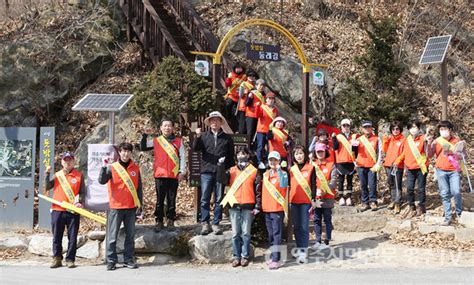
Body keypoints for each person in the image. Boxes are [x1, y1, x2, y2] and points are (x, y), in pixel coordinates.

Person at [99, 142, 143, 271]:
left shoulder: (135, 168)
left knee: (130, 236)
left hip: (131, 207)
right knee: (113, 236)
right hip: (116, 207)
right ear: (120, 152)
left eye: (128, 151)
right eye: (123, 151)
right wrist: (103, 168)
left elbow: (139, 188)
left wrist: (140, 205)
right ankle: (111, 260)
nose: (126, 153)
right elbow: (101, 181)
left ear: (131, 153)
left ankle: (128, 259)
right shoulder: (112, 167)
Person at [192, 111, 235, 235]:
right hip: (206, 171)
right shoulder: (204, 136)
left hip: (221, 172)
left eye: (217, 120)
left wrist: (229, 170)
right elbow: (196, 148)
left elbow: (231, 156)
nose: (214, 122)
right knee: (205, 198)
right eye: (212, 120)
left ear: (221, 122)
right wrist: (198, 137)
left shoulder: (227, 138)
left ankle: (216, 223)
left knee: (219, 198)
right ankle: (205, 222)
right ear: (209, 123)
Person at [139, 118, 186, 231]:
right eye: (165, 126)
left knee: (172, 199)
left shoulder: (178, 141)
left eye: (169, 126)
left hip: (173, 175)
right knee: (160, 199)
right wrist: (145, 135)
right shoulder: (156, 141)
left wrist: (182, 172)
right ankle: (159, 220)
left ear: (173, 128)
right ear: (161, 128)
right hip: (160, 175)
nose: (167, 128)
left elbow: (182, 157)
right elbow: (143, 147)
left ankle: (170, 220)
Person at [221, 147, 261, 267]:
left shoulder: (254, 171)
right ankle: (236, 257)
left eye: (243, 154)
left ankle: (245, 256)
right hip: (234, 204)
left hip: (248, 204)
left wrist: (258, 205)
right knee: (235, 233)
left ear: (248, 155)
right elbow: (222, 180)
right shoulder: (232, 170)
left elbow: (258, 190)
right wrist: (220, 166)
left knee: (246, 233)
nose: (241, 156)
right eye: (238, 154)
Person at [44, 152, 85, 269]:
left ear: (74, 161)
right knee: (57, 236)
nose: (68, 162)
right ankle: (56, 258)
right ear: (62, 162)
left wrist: (79, 202)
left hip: (73, 211)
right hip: (57, 210)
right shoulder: (57, 175)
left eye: (70, 160)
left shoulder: (79, 175)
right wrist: (47, 174)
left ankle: (70, 259)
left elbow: (82, 192)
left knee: (72, 237)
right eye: (65, 160)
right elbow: (47, 187)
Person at [428, 120, 465, 226]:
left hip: (454, 170)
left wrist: (456, 153)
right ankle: (448, 217)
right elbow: (430, 155)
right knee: (444, 194)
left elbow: (463, 155)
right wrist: (430, 144)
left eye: (445, 129)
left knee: (456, 192)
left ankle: (459, 213)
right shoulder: (437, 141)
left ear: (450, 130)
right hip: (441, 170)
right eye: (441, 129)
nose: (443, 131)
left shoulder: (457, 141)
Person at [288, 145, 315, 263]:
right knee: (297, 227)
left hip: (305, 202)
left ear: (305, 154)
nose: (299, 156)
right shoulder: (291, 170)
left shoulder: (311, 168)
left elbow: (314, 185)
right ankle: (299, 248)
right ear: (294, 156)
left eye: (301, 153)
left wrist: (313, 199)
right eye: (296, 154)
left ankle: (303, 251)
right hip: (293, 201)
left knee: (304, 227)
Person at [262, 151, 288, 270]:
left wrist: (279, 170)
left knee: (277, 234)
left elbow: (283, 186)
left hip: (277, 209)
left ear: (279, 161)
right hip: (267, 208)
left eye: (275, 160)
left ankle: (277, 259)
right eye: (271, 160)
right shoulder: (265, 174)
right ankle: (273, 256)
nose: (273, 162)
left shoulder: (283, 174)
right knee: (271, 234)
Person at [310, 143, 337, 250]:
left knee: (327, 219)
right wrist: (315, 192)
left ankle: (327, 242)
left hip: (328, 197)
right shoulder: (312, 165)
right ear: (315, 153)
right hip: (316, 197)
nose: (320, 153)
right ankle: (317, 241)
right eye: (318, 152)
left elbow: (334, 181)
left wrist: (323, 191)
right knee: (316, 219)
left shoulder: (331, 165)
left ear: (325, 152)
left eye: (322, 151)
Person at [352, 120, 382, 211]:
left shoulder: (377, 139)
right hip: (361, 165)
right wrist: (355, 162)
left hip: (372, 165)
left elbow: (379, 152)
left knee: (372, 184)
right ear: (362, 129)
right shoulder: (358, 139)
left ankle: (373, 201)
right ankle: (365, 202)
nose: (367, 129)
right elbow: (354, 152)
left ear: (371, 128)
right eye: (365, 127)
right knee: (363, 184)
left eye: (369, 127)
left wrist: (378, 163)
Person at [332, 118, 357, 206]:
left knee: (350, 180)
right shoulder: (338, 136)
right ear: (341, 127)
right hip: (340, 161)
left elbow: (355, 150)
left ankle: (349, 197)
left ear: (350, 126)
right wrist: (334, 138)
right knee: (341, 180)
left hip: (350, 161)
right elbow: (335, 147)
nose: (346, 127)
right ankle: (341, 197)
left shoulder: (354, 136)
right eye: (344, 125)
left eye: (347, 125)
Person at [382, 120, 405, 214]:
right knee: (391, 183)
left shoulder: (403, 139)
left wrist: (398, 161)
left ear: (400, 130)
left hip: (397, 165)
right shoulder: (390, 138)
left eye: (397, 129)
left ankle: (397, 203)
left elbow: (404, 153)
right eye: (393, 129)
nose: (395, 130)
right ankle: (393, 200)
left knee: (397, 184)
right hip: (388, 164)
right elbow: (384, 150)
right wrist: (385, 141)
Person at [255, 92, 278, 169]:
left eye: (272, 99)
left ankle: (268, 161)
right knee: (260, 146)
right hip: (261, 129)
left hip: (270, 130)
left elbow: (276, 120)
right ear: (266, 99)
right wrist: (257, 107)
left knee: (270, 147)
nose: (270, 100)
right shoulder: (262, 107)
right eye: (269, 99)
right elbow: (257, 115)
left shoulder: (275, 110)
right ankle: (259, 161)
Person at [224, 63, 247, 131]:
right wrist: (228, 80)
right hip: (231, 95)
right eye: (237, 68)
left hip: (240, 97)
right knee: (228, 105)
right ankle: (227, 117)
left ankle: (237, 128)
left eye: (240, 68)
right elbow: (227, 85)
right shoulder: (231, 75)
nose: (238, 69)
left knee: (236, 113)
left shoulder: (244, 76)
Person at [236, 70, 258, 134]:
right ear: (247, 76)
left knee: (249, 126)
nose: (251, 77)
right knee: (242, 124)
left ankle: (247, 141)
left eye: (253, 76)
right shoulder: (244, 84)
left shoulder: (255, 85)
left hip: (251, 108)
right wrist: (245, 93)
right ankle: (241, 139)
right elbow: (240, 95)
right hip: (243, 106)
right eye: (250, 75)